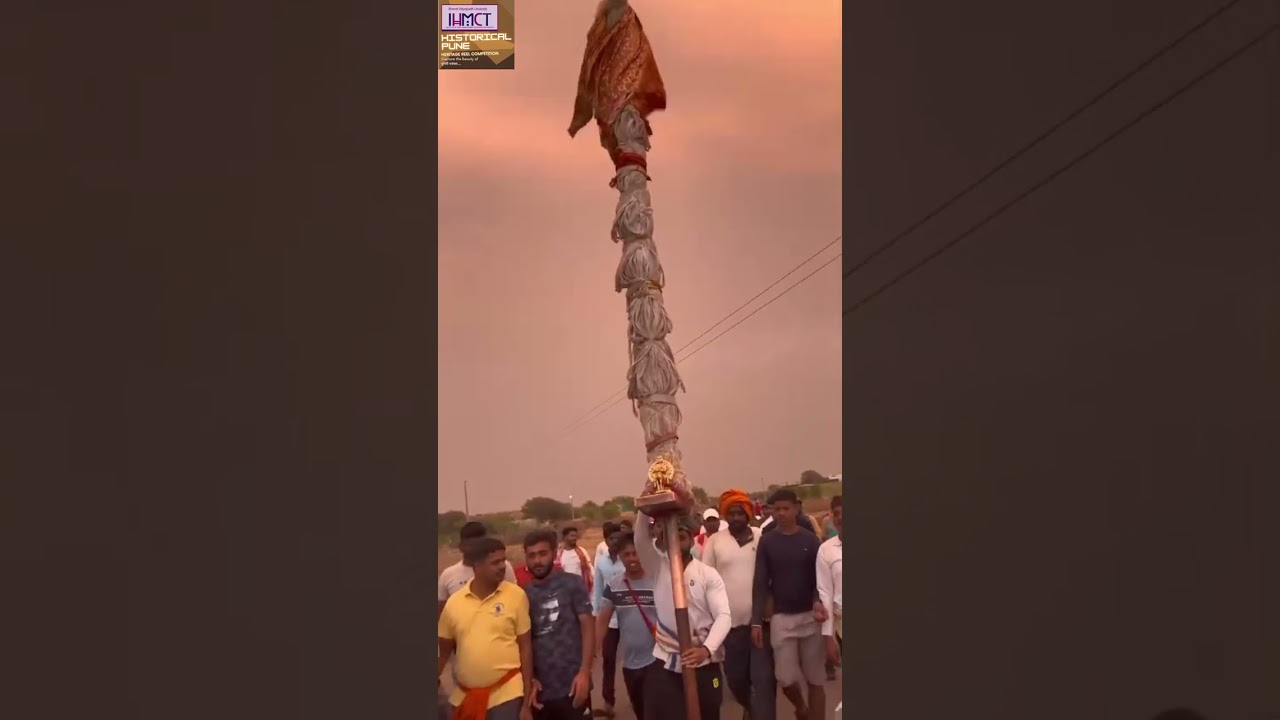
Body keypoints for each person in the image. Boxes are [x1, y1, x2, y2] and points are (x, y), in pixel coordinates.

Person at [634, 510, 732, 720]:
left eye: (682, 535)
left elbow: (724, 616)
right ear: (663, 541)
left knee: (709, 712)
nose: (677, 540)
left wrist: (706, 650)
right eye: (672, 536)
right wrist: (644, 509)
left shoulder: (708, 574)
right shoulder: (658, 567)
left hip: (705, 662)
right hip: (666, 659)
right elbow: (640, 539)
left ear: (691, 539)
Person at [438, 536, 535, 720]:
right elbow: (443, 653)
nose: (502, 566)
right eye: (495, 562)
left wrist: (526, 704)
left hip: (507, 695)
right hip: (465, 698)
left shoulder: (516, 595)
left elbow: (526, 648)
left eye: (503, 560)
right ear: (477, 566)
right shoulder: (454, 604)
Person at [752, 490, 827, 720]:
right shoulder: (767, 541)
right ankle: (802, 709)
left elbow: (819, 579)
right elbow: (760, 581)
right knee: (785, 677)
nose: (781, 513)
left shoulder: (810, 540)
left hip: (810, 617)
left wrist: (817, 602)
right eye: (777, 509)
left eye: (786, 508)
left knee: (815, 678)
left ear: (796, 508)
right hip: (782, 619)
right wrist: (756, 621)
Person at [701, 489, 774, 720]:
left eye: (740, 513)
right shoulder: (715, 541)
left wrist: (770, 602)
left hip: (760, 622)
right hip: (729, 625)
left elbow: (771, 574)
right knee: (735, 679)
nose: (735, 518)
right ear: (724, 515)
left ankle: (760, 713)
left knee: (763, 679)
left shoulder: (760, 536)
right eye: (731, 513)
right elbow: (706, 580)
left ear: (749, 514)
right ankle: (750, 707)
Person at [523, 530, 596, 720]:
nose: (537, 561)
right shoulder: (522, 595)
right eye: (531, 556)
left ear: (554, 554)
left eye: (542, 554)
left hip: (574, 685)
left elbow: (588, 628)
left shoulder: (572, 584)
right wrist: (529, 680)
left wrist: (585, 673)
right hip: (540, 692)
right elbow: (524, 643)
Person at [594, 531, 657, 720]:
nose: (632, 559)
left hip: (658, 661)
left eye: (635, 553)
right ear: (620, 556)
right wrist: (592, 653)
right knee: (640, 711)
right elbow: (602, 621)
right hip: (631, 665)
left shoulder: (657, 581)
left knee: (655, 711)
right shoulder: (614, 587)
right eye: (626, 554)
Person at [440, 521, 518, 616]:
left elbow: (515, 599)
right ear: (461, 547)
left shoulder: (503, 566)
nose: (477, 549)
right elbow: (441, 613)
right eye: (472, 545)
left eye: (481, 544)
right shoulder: (448, 575)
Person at [591, 523, 627, 717]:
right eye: (611, 539)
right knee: (609, 659)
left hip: (629, 617)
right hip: (610, 619)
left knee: (634, 660)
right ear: (605, 540)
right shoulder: (602, 562)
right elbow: (597, 589)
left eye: (618, 538)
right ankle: (608, 703)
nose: (615, 542)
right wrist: (596, 617)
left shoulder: (628, 559)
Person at [815, 495, 842, 671]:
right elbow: (825, 593)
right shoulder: (826, 550)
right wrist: (828, 637)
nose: (840, 518)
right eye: (836, 513)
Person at [557, 526, 594, 593]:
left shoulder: (582, 552)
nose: (574, 538)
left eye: (575, 536)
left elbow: (590, 569)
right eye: (572, 536)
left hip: (580, 589)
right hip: (565, 591)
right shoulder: (559, 555)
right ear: (564, 537)